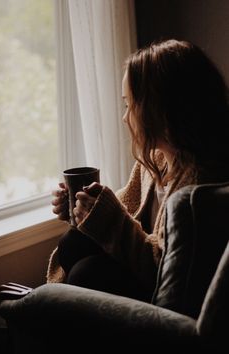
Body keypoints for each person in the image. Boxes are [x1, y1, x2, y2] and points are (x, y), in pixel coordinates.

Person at [47, 39, 229, 302]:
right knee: (73, 241)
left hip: (166, 295)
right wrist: (83, 210)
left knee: (89, 273)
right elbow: (125, 210)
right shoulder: (153, 161)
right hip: (139, 268)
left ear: (160, 108)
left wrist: (106, 220)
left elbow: (167, 273)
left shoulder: (199, 186)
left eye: (129, 105)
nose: (125, 117)